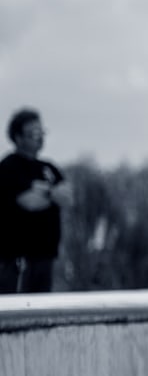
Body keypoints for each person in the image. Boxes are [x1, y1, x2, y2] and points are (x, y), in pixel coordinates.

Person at [1, 108, 72, 295]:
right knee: (17, 306)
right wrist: (52, 193)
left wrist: (44, 191)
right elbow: (29, 203)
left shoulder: (48, 168)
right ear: (18, 137)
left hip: (45, 257)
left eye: (41, 132)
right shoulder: (9, 167)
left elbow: (67, 197)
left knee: (43, 304)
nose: (39, 137)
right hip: (17, 260)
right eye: (33, 133)